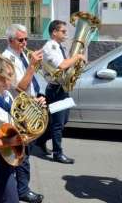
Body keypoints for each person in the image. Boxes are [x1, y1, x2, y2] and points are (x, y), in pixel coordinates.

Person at [0, 51, 46, 203]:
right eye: (8, 75)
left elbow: (15, 117)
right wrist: (10, 142)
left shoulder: (7, 95)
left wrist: (36, 106)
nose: (12, 79)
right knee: (11, 199)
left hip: (8, 152)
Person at [2, 24, 44, 203]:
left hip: (29, 107)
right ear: (11, 40)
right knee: (21, 153)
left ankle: (17, 187)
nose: (25, 43)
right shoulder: (6, 59)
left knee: (25, 152)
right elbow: (19, 87)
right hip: (17, 111)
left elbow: (32, 83)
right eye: (21, 40)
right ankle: (21, 190)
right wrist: (33, 66)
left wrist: (39, 97)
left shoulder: (21, 55)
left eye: (26, 39)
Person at [36, 20, 85, 164]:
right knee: (57, 124)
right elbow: (62, 65)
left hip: (62, 89)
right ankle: (58, 153)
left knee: (62, 121)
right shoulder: (50, 47)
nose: (66, 34)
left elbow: (67, 66)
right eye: (63, 31)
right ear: (54, 33)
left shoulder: (59, 46)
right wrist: (76, 57)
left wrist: (78, 63)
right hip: (55, 90)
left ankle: (40, 140)